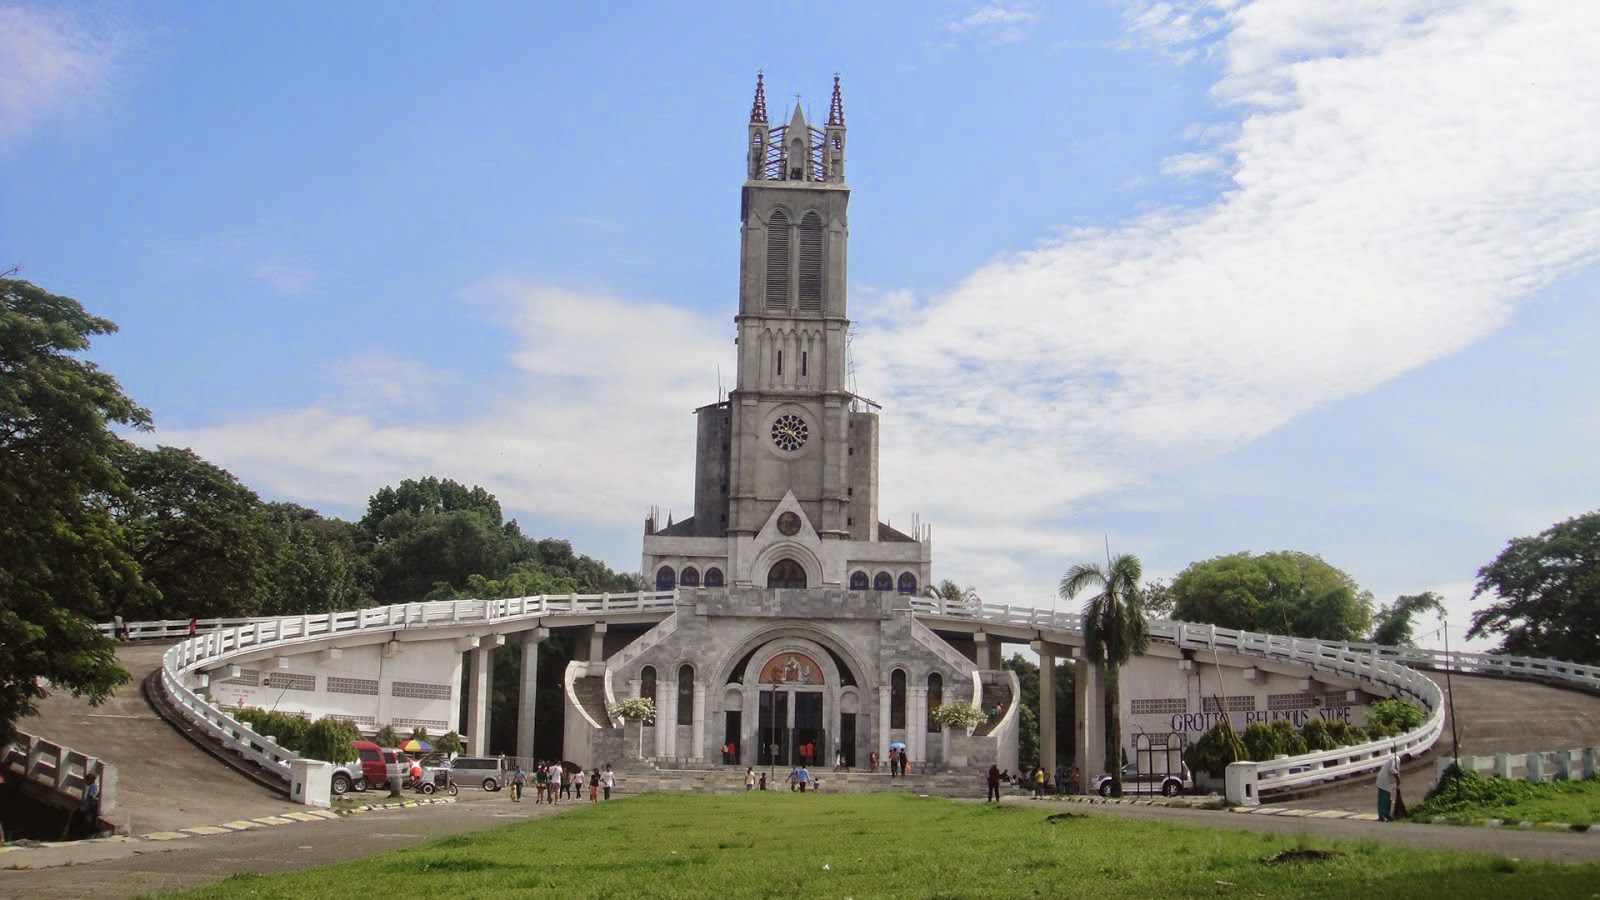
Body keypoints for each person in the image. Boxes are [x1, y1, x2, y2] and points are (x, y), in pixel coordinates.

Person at [1377, 751, 1403, 821]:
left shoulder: (1394, 759)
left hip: (1385, 780)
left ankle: (1384, 815)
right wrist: (1398, 778)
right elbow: (1393, 770)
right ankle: (1383, 815)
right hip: (1384, 780)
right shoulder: (1396, 759)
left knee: (1386, 797)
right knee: (1385, 798)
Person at [76, 772, 102, 836]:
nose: (85, 781)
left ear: (91, 780)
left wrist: (89, 808)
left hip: (89, 807)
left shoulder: (93, 786)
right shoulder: (95, 786)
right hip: (90, 806)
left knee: (87, 820)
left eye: (86, 780)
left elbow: (91, 797)